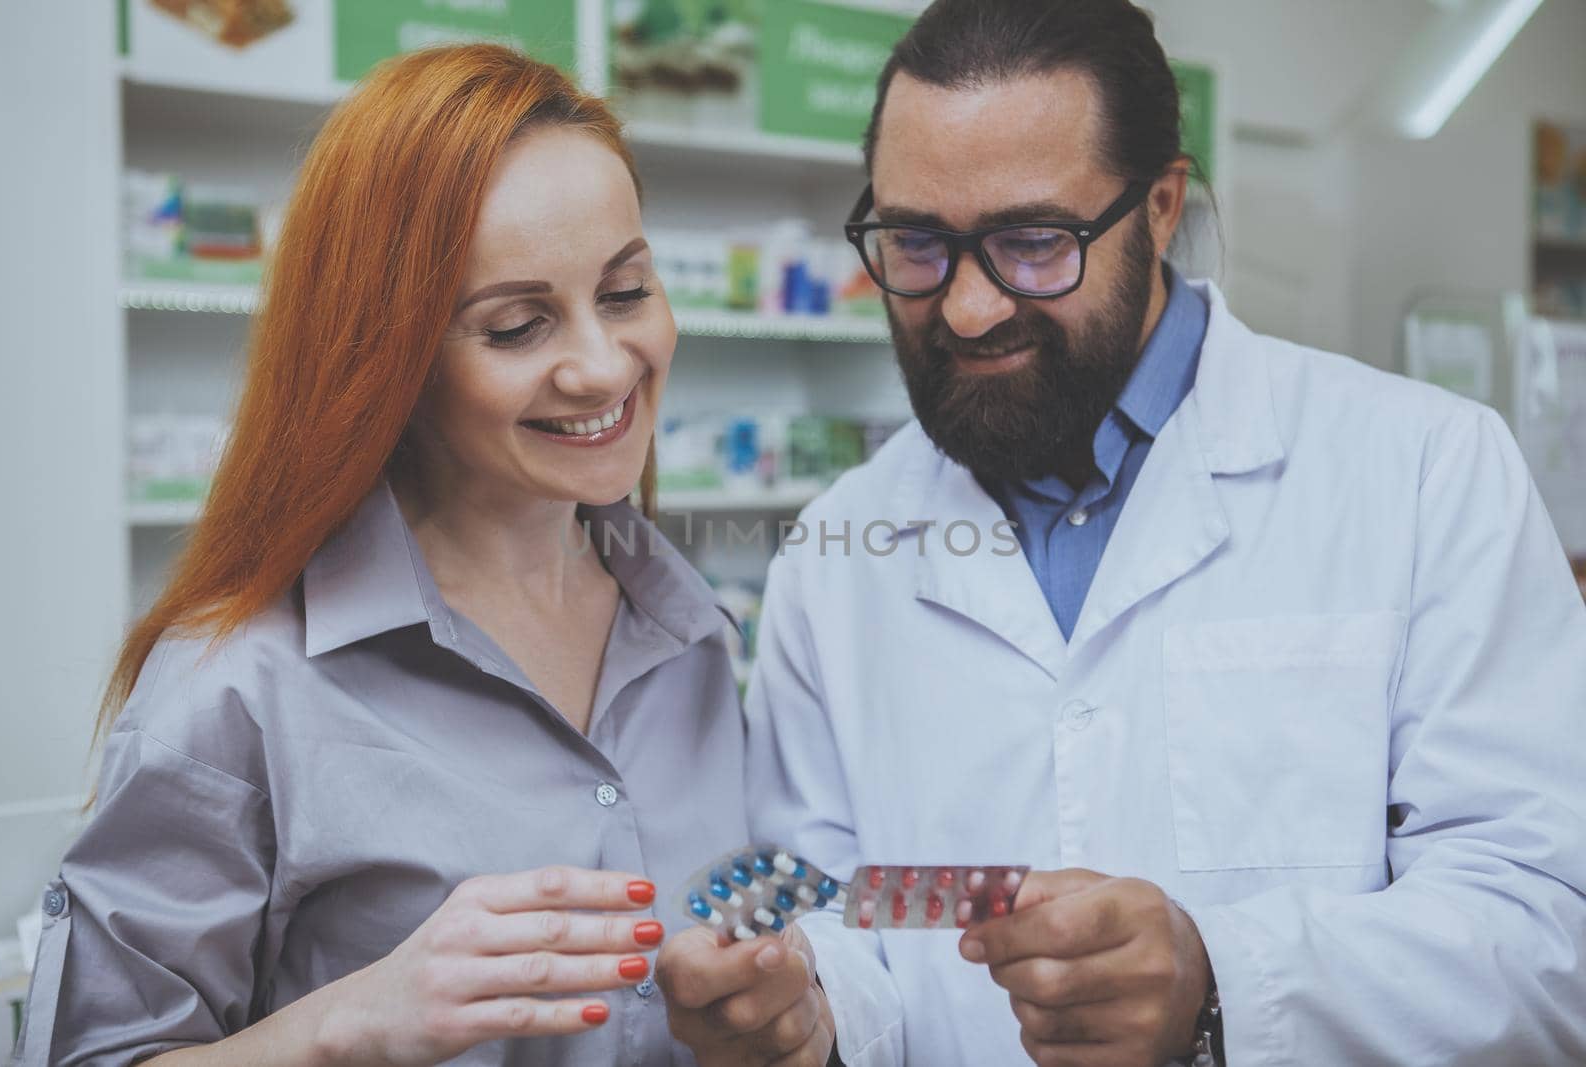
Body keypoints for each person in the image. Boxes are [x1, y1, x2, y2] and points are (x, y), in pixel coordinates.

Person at [655, 1, 1586, 1065]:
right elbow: (834, 910)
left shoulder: (1427, 471)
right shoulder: (839, 546)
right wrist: (803, 1006)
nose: (964, 307)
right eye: (917, 242)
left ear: (1159, 205)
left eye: (1032, 241)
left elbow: (1548, 937)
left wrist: (1219, 978)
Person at [14, 44, 745, 1067]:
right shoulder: (241, 685)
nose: (601, 364)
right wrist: (343, 1026)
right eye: (519, 323)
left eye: (624, 293)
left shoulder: (695, 634)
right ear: (388, 350)